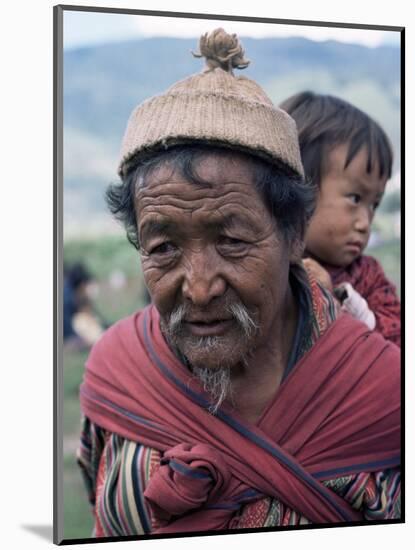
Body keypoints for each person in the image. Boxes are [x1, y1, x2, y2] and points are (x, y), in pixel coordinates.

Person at [76, 29, 400, 537]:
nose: (199, 289)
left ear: (294, 235)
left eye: (231, 241)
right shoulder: (116, 377)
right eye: (163, 249)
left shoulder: (383, 395)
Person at [280, 91, 401, 347]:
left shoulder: (368, 278)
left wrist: (337, 302)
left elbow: (394, 347)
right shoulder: (268, 266)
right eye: (355, 199)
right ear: (300, 188)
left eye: (374, 205)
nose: (365, 223)